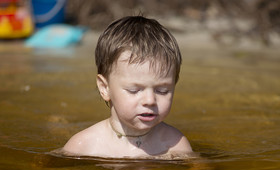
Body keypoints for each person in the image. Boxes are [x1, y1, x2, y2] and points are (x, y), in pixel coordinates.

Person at [62, 16, 193, 158]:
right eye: (134, 90)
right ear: (105, 88)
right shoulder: (84, 146)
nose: (150, 100)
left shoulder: (174, 144)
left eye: (162, 90)